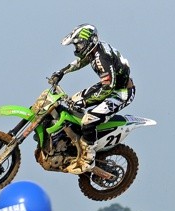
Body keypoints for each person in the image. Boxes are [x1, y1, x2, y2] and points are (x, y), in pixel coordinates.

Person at [48, 24, 134, 173]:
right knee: (72, 102)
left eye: (80, 44)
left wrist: (85, 101)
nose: (78, 47)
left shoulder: (102, 58)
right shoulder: (95, 50)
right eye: (76, 44)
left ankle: (88, 159)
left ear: (90, 41)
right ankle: (74, 143)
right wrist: (61, 72)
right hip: (109, 86)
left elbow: (108, 89)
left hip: (121, 93)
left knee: (88, 120)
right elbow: (81, 62)